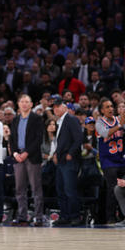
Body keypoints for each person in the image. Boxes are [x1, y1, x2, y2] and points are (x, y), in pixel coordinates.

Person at [9, 95, 45, 226]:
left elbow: (38, 139)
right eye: (22, 102)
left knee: (36, 187)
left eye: (27, 102)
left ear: (31, 104)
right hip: (18, 157)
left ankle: (39, 217)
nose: (24, 104)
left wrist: (26, 152)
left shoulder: (37, 119)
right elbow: (11, 139)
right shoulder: (15, 120)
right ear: (18, 104)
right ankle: (22, 215)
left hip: (32, 157)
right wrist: (14, 153)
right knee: (20, 188)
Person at [96, 98, 125, 223]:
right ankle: (110, 217)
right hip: (108, 161)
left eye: (111, 106)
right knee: (112, 189)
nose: (110, 109)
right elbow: (105, 134)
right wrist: (120, 124)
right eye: (107, 107)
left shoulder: (118, 119)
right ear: (102, 110)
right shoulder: (99, 122)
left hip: (121, 159)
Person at [51, 97, 83, 226]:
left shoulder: (71, 119)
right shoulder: (60, 122)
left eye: (58, 106)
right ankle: (64, 216)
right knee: (61, 189)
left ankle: (75, 216)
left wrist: (70, 153)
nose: (56, 109)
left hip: (69, 161)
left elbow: (79, 138)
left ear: (65, 107)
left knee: (70, 189)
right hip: (61, 161)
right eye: (54, 107)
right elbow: (61, 142)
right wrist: (55, 154)